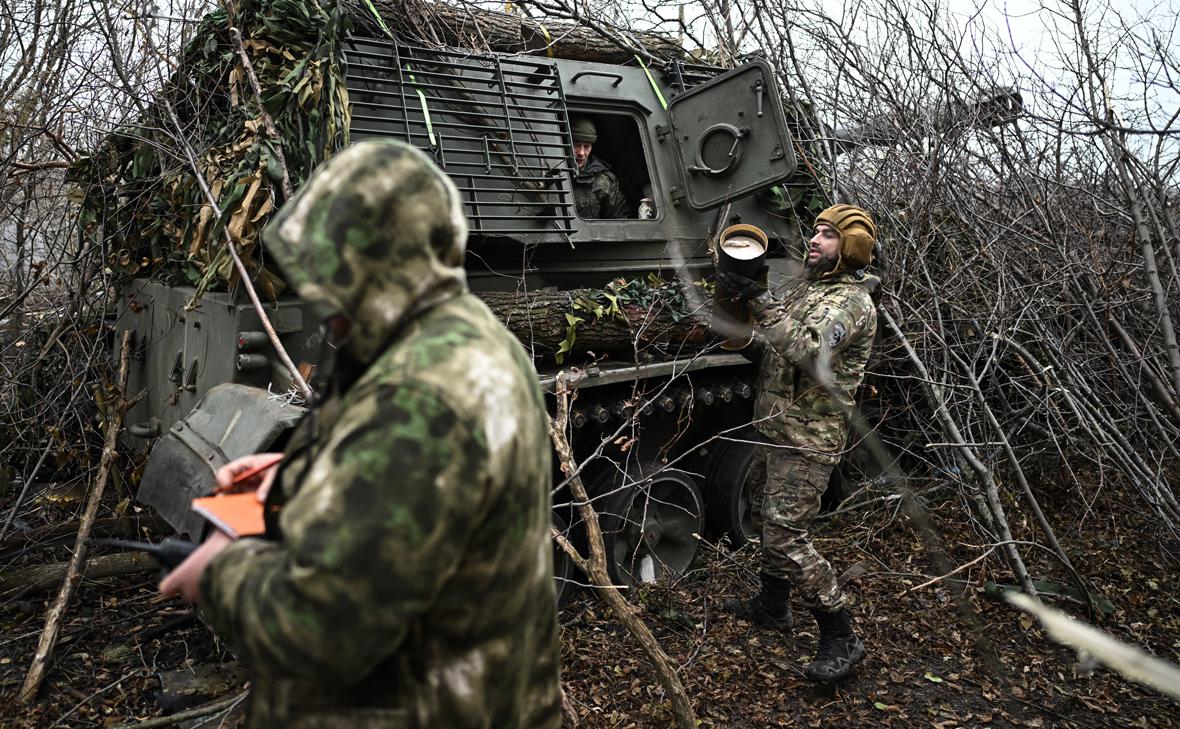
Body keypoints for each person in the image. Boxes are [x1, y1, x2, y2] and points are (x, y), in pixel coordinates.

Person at [159, 139, 562, 728]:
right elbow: (397, 492)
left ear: (385, 265)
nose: (323, 298)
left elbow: (325, 628)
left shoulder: (421, 395)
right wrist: (295, 474)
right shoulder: (451, 336)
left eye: (337, 272)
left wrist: (216, 573)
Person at [717, 204, 880, 682]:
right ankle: (772, 606)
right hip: (776, 428)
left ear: (850, 249)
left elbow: (809, 352)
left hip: (808, 439)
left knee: (787, 536)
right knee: (767, 517)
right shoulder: (811, 291)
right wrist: (741, 314)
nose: (814, 240)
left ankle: (840, 635)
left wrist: (763, 302)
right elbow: (775, 350)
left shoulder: (851, 302)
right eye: (815, 232)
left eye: (828, 235)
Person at [570, 115, 630, 219]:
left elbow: (619, 219)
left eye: (587, 146)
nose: (581, 152)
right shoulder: (553, 175)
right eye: (576, 145)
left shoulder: (604, 181)